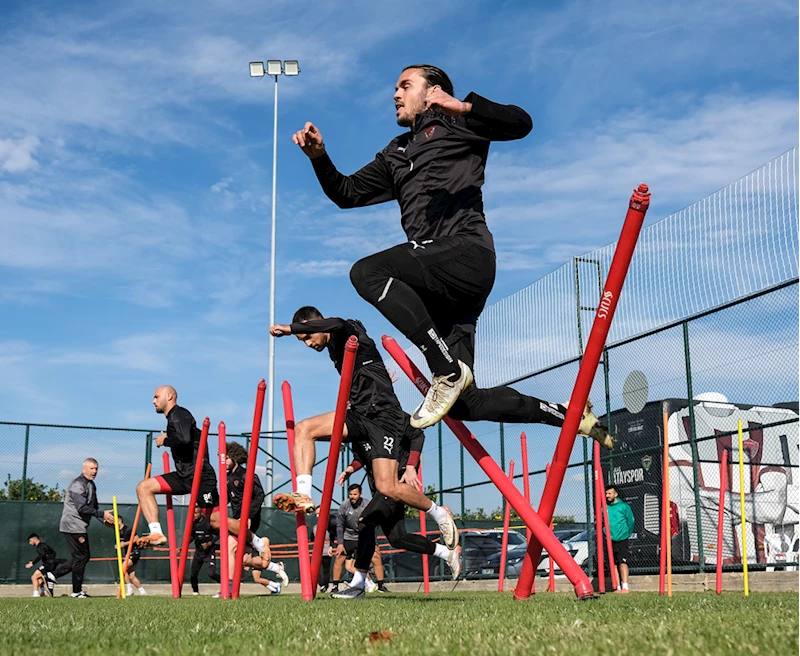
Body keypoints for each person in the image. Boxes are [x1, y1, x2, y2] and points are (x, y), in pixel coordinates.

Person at [291, 64, 613, 448]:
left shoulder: (458, 123)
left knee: (367, 272)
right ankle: (566, 415)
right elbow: (346, 193)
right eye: (395, 87)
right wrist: (319, 158)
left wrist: (462, 107)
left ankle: (446, 372)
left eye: (404, 86)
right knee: (464, 404)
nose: (395, 94)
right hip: (440, 285)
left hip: (467, 253)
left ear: (432, 91)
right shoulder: (394, 152)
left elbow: (521, 123)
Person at [269, 307, 459, 552]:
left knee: (387, 487)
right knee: (304, 428)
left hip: (383, 417)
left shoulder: (348, 329)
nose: (307, 344)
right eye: (302, 340)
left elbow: (336, 323)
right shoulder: (333, 350)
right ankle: (303, 494)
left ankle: (439, 513)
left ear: (318, 325)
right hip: (359, 415)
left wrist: (290, 329)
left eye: (307, 336)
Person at [331, 419, 461, 600]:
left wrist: (410, 466)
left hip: (395, 484)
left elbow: (417, 435)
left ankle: (358, 583)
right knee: (398, 539)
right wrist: (351, 469)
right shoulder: (359, 428)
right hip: (380, 489)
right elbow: (361, 456)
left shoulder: (387, 414)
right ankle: (447, 553)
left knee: (365, 522)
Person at [136, 386, 218, 547]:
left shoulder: (179, 414)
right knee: (143, 488)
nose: (153, 401)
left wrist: (164, 441)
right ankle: (156, 533)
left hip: (200, 477)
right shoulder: (173, 419)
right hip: (183, 476)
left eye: (156, 397)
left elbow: (185, 439)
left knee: (216, 522)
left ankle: (256, 541)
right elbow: (188, 436)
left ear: (169, 396)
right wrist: (169, 437)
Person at [209, 441, 288, 588]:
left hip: (249, 519)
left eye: (226, 458)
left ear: (234, 457)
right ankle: (275, 566)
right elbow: (223, 499)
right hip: (237, 519)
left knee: (229, 545)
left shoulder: (246, 475)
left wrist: (249, 517)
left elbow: (260, 495)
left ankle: (229, 587)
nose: (224, 462)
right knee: (244, 559)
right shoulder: (228, 478)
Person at [51, 458, 115, 598]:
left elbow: (94, 508)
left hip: (79, 525)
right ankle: (76, 591)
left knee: (81, 557)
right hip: (73, 524)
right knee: (82, 556)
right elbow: (82, 508)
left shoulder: (91, 485)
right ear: (83, 469)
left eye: (96, 469)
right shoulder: (78, 484)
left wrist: (104, 520)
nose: (94, 471)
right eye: (91, 468)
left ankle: (53, 575)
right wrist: (101, 514)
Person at [334, 483, 388, 593]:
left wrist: (375, 543)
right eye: (350, 494)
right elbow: (339, 525)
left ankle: (381, 586)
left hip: (363, 536)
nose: (352, 496)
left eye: (355, 494)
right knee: (339, 558)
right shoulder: (344, 505)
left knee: (376, 558)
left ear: (360, 494)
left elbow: (372, 525)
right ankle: (335, 586)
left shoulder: (367, 504)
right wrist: (340, 543)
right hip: (348, 537)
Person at [605, 484, 635, 593]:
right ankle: (617, 587)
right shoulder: (605, 507)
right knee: (613, 564)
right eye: (606, 493)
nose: (607, 495)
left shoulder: (624, 507)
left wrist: (627, 533)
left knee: (622, 562)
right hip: (609, 539)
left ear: (615, 494)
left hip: (622, 538)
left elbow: (630, 520)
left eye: (610, 493)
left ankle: (625, 586)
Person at [189, 506, 220, 595]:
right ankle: (195, 592)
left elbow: (218, 534)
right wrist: (184, 546)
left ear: (201, 513)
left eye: (196, 513)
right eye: (193, 513)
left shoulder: (208, 523)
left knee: (211, 574)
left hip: (209, 552)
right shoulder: (193, 524)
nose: (194, 515)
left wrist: (209, 543)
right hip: (199, 553)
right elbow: (191, 537)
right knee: (193, 574)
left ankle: (227, 585)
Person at [309, 504, 338, 593]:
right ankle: (321, 584)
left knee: (326, 569)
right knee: (315, 569)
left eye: (319, 513)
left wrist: (331, 547)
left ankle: (325, 585)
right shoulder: (314, 527)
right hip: (317, 551)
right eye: (317, 514)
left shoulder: (330, 526)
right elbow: (312, 538)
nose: (317, 516)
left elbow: (333, 537)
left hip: (326, 551)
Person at [118, 517, 147, 596]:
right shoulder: (118, 531)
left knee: (123, 568)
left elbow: (136, 538)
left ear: (119, 521)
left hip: (134, 552)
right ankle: (142, 591)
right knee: (131, 575)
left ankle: (129, 588)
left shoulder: (127, 529)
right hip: (128, 553)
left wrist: (125, 544)